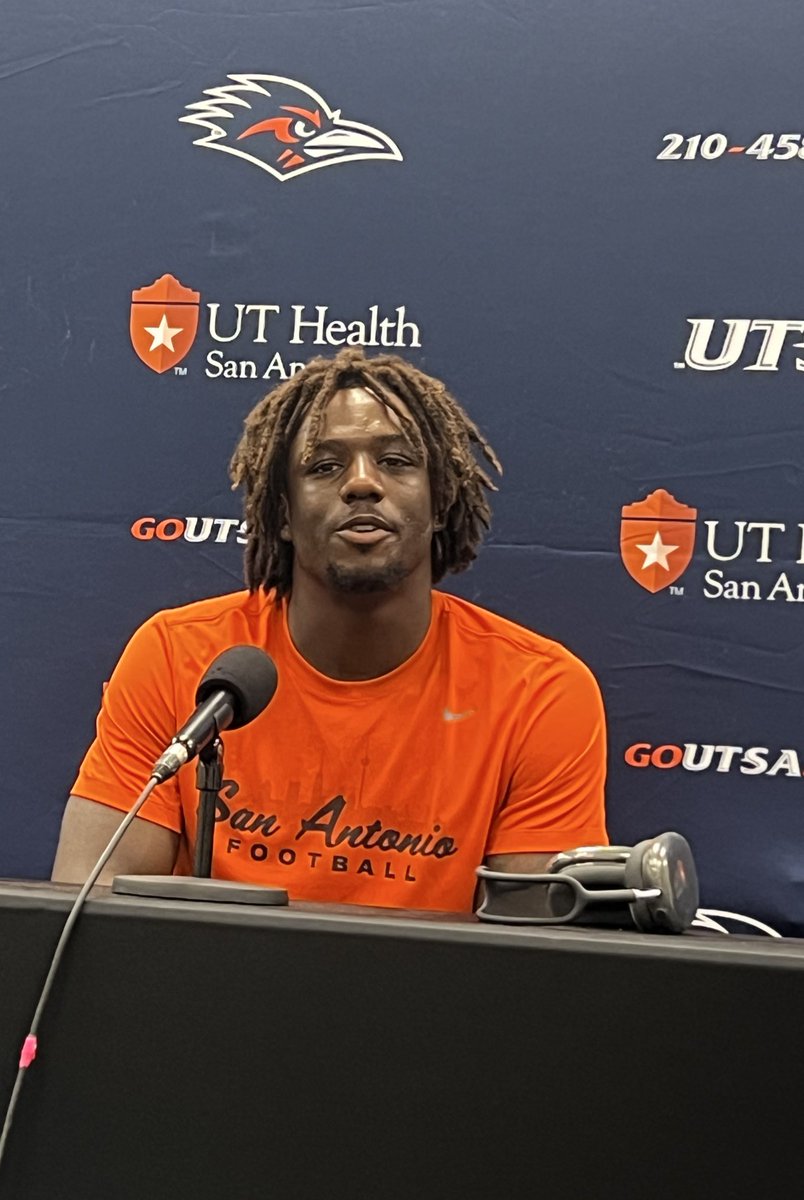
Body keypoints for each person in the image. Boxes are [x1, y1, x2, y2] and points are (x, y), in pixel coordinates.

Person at [52, 348, 607, 911]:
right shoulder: (178, 657)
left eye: (396, 461)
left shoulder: (539, 691)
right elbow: (85, 909)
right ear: (284, 514)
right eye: (324, 466)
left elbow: (539, 950)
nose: (362, 484)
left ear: (439, 503)